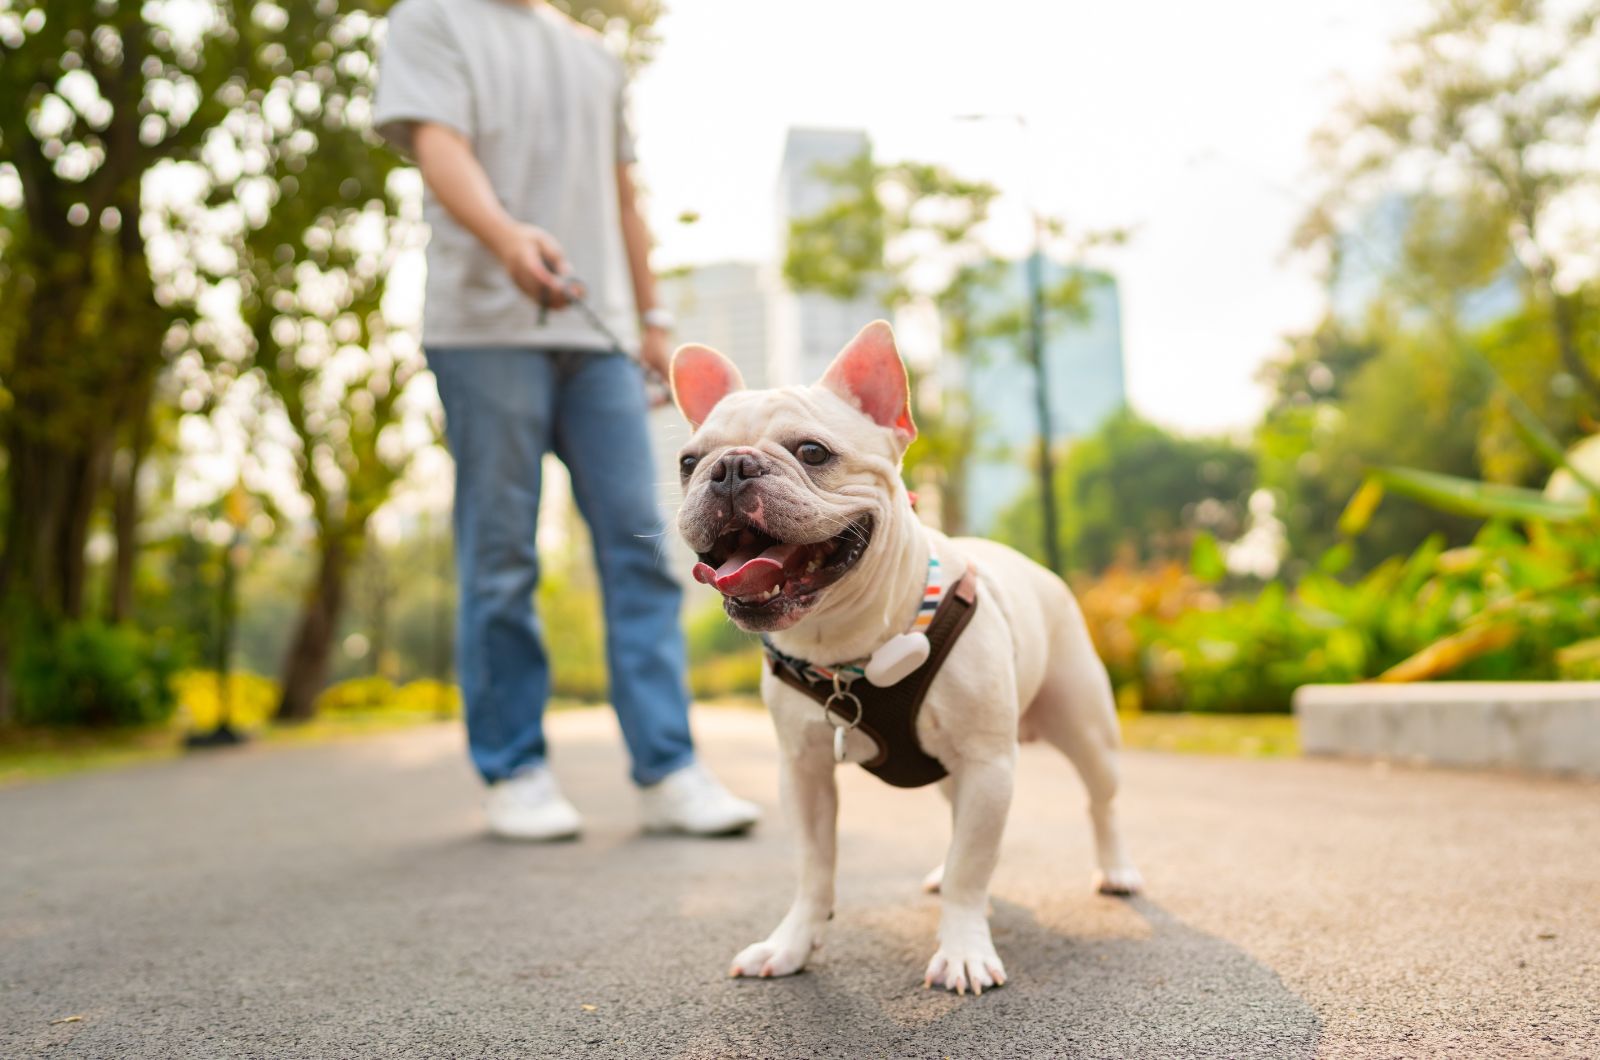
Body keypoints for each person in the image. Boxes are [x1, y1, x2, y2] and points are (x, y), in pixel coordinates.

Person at [373, 0, 758, 840]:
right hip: (483, 331)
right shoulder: (431, 20)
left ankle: (668, 768)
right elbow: (440, 145)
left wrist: (653, 322)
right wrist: (508, 238)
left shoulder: (595, 55)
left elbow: (624, 194)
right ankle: (514, 770)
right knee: (502, 551)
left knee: (644, 544)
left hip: (603, 337)